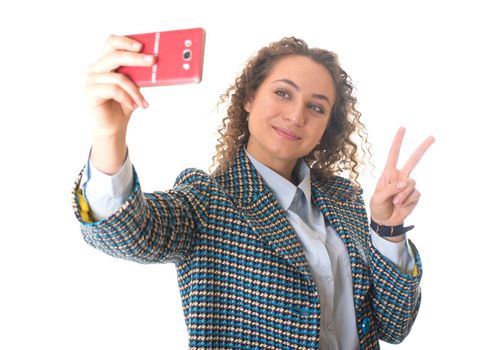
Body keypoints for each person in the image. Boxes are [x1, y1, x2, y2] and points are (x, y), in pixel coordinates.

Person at [71, 34, 434, 350]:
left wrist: (387, 230)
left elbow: (395, 326)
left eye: (316, 106)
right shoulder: (207, 199)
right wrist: (109, 136)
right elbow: (127, 233)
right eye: (282, 93)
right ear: (248, 99)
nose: (296, 115)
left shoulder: (344, 200)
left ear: (327, 125)